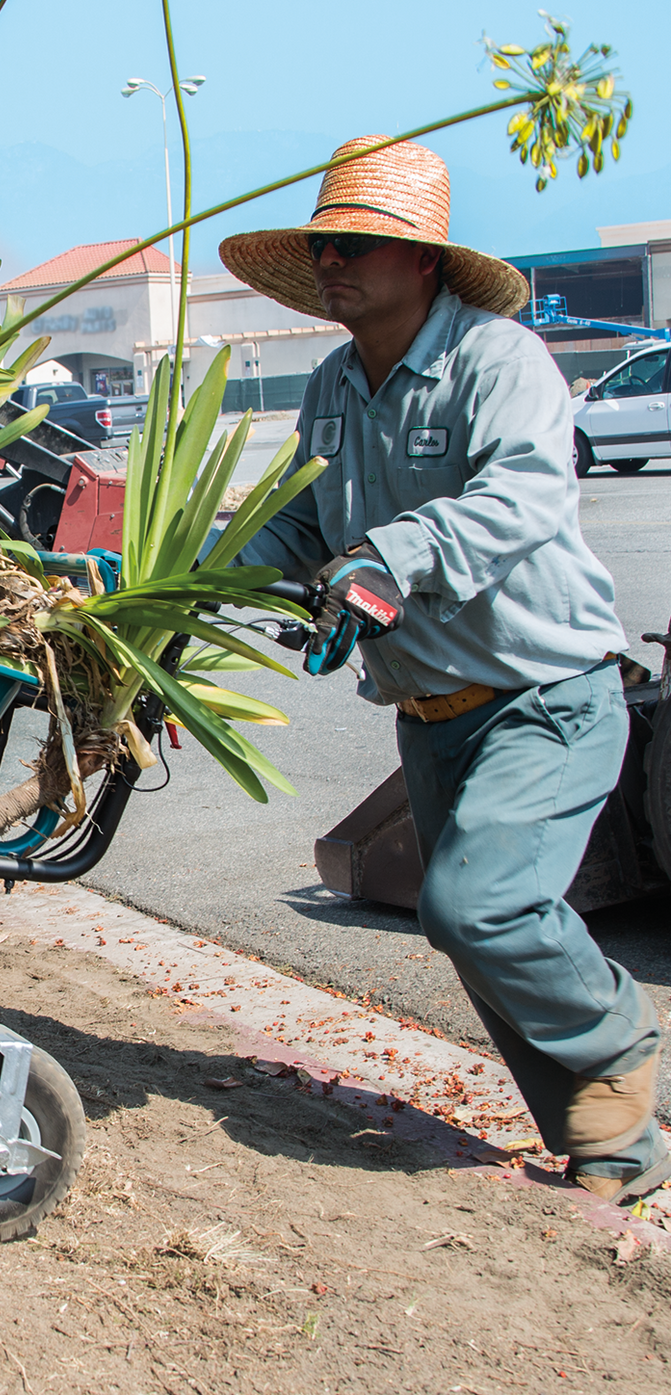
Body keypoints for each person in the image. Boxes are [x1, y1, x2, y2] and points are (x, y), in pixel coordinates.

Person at [216, 136, 668, 1205]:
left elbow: (520, 496)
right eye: (322, 244)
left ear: (422, 260)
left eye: (358, 245)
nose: (333, 261)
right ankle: (606, 1150)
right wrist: (172, 579)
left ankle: (616, 1035)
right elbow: (294, 517)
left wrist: (386, 563)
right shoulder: (332, 382)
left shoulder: (496, 360)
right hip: (429, 714)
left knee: (477, 908)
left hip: (541, 697)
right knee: (469, 932)